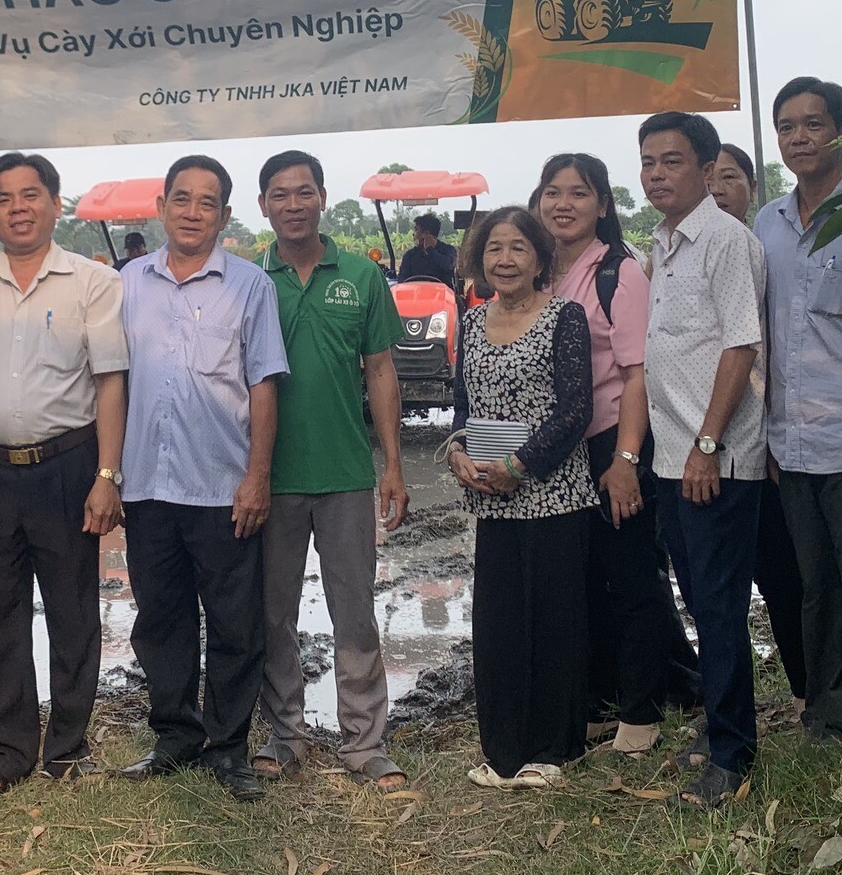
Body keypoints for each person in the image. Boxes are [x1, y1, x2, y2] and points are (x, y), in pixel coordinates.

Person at [0, 152, 128, 803]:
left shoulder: (92, 282)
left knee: (72, 610)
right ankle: (7, 749)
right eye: (4, 197)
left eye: (31, 194)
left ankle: (66, 746)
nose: (18, 207)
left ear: (55, 204)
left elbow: (110, 382)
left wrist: (107, 475)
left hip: (68, 467)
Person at [117, 156, 289, 803]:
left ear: (225, 214)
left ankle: (228, 746)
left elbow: (263, 385)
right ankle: (175, 736)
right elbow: (111, 381)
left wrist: (257, 476)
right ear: (161, 206)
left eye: (207, 202)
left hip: (222, 486)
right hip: (147, 484)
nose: (193, 212)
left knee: (234, 623)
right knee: (160, 619)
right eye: (182, 199)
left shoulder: (250, 286)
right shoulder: (128, 283)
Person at [530, 152, 696, 757]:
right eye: (553, 192)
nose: (563, 205)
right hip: (557, 449)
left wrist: (625, 462)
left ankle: (641, 715)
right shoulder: (535, 271)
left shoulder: (619, 273)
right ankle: (600, 702)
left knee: (632, 578)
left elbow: (637, 374)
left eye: (579, 193)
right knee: (582, 580)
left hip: (613, 440)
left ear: (602, 204)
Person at [253, 149, 410, 790]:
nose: (294, 204)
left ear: (322, 197)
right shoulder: (249, 280)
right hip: (269, 477)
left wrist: (393, 463)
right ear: (263, 205)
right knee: (272, 613)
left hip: (346, 470)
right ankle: (284, 734)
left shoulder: (362, 276)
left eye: (304, 192)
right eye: (280, 194)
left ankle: (364, 741)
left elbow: (381, 370)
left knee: (356, 609)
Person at [758, 78, 842, 744]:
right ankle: (819, 706)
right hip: (790, 442)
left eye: (813, 124)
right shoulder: (767, 225)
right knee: (813, 583)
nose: (799, 138)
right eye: (787, 127)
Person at [640, 111, 768, 810]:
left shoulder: (725, 241)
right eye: (648, 162)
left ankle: (732, 755)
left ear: (707, 168)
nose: (657, 174)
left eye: (672, 161)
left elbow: (740, 345)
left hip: (713, 460)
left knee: (718, 608)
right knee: (699, 600)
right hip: (672, 457)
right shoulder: (664, 243)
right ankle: (721, 724)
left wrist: (708, 444)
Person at [447, 205, 596, 789]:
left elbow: (575, 409)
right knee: (499, 622)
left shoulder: (565, 317)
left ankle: (555, 748)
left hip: (553, 495)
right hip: (490, 498)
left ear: (539, 259)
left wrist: (521, 465)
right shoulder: (471, 321)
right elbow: (462, 405)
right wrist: (458, 451)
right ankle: (502, 750)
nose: (504, 259)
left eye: (517, 248)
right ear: (479, 259)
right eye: (494, 248)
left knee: (554, 619)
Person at [707, 142, 810, 714]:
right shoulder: (674, 256)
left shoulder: (762, 249)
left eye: (730, 178)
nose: (718, 189)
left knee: (782, 571)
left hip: (768, 436)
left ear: (751, 186)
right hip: (706, 444)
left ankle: (806, 688)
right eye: (710, 177)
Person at [397, 212, 458, 287]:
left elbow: (448, 266)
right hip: (416, 292)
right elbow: (402, 281)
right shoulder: (410, 255)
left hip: (442, 292)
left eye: (416, 230)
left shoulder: (448, 250)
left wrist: (430, 250)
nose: (413, 234)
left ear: (426, 233)